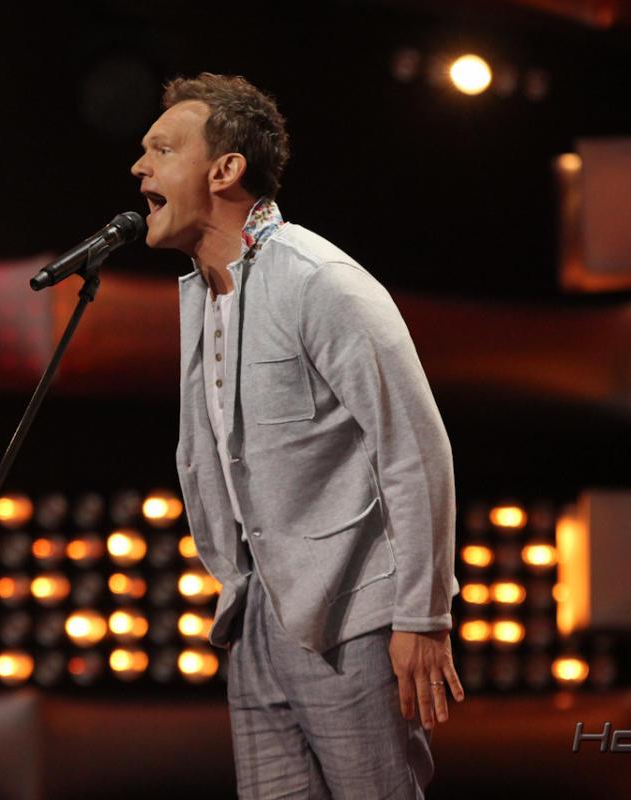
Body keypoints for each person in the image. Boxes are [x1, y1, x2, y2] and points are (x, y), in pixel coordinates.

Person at [131, 72, 464, 799]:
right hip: (257, 612)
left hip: (354, 617)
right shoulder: (206, 295)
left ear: (225, 169)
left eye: (162, 150)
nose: (139, 167)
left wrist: (422, 615)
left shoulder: (320, 281)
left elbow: (415, 450)